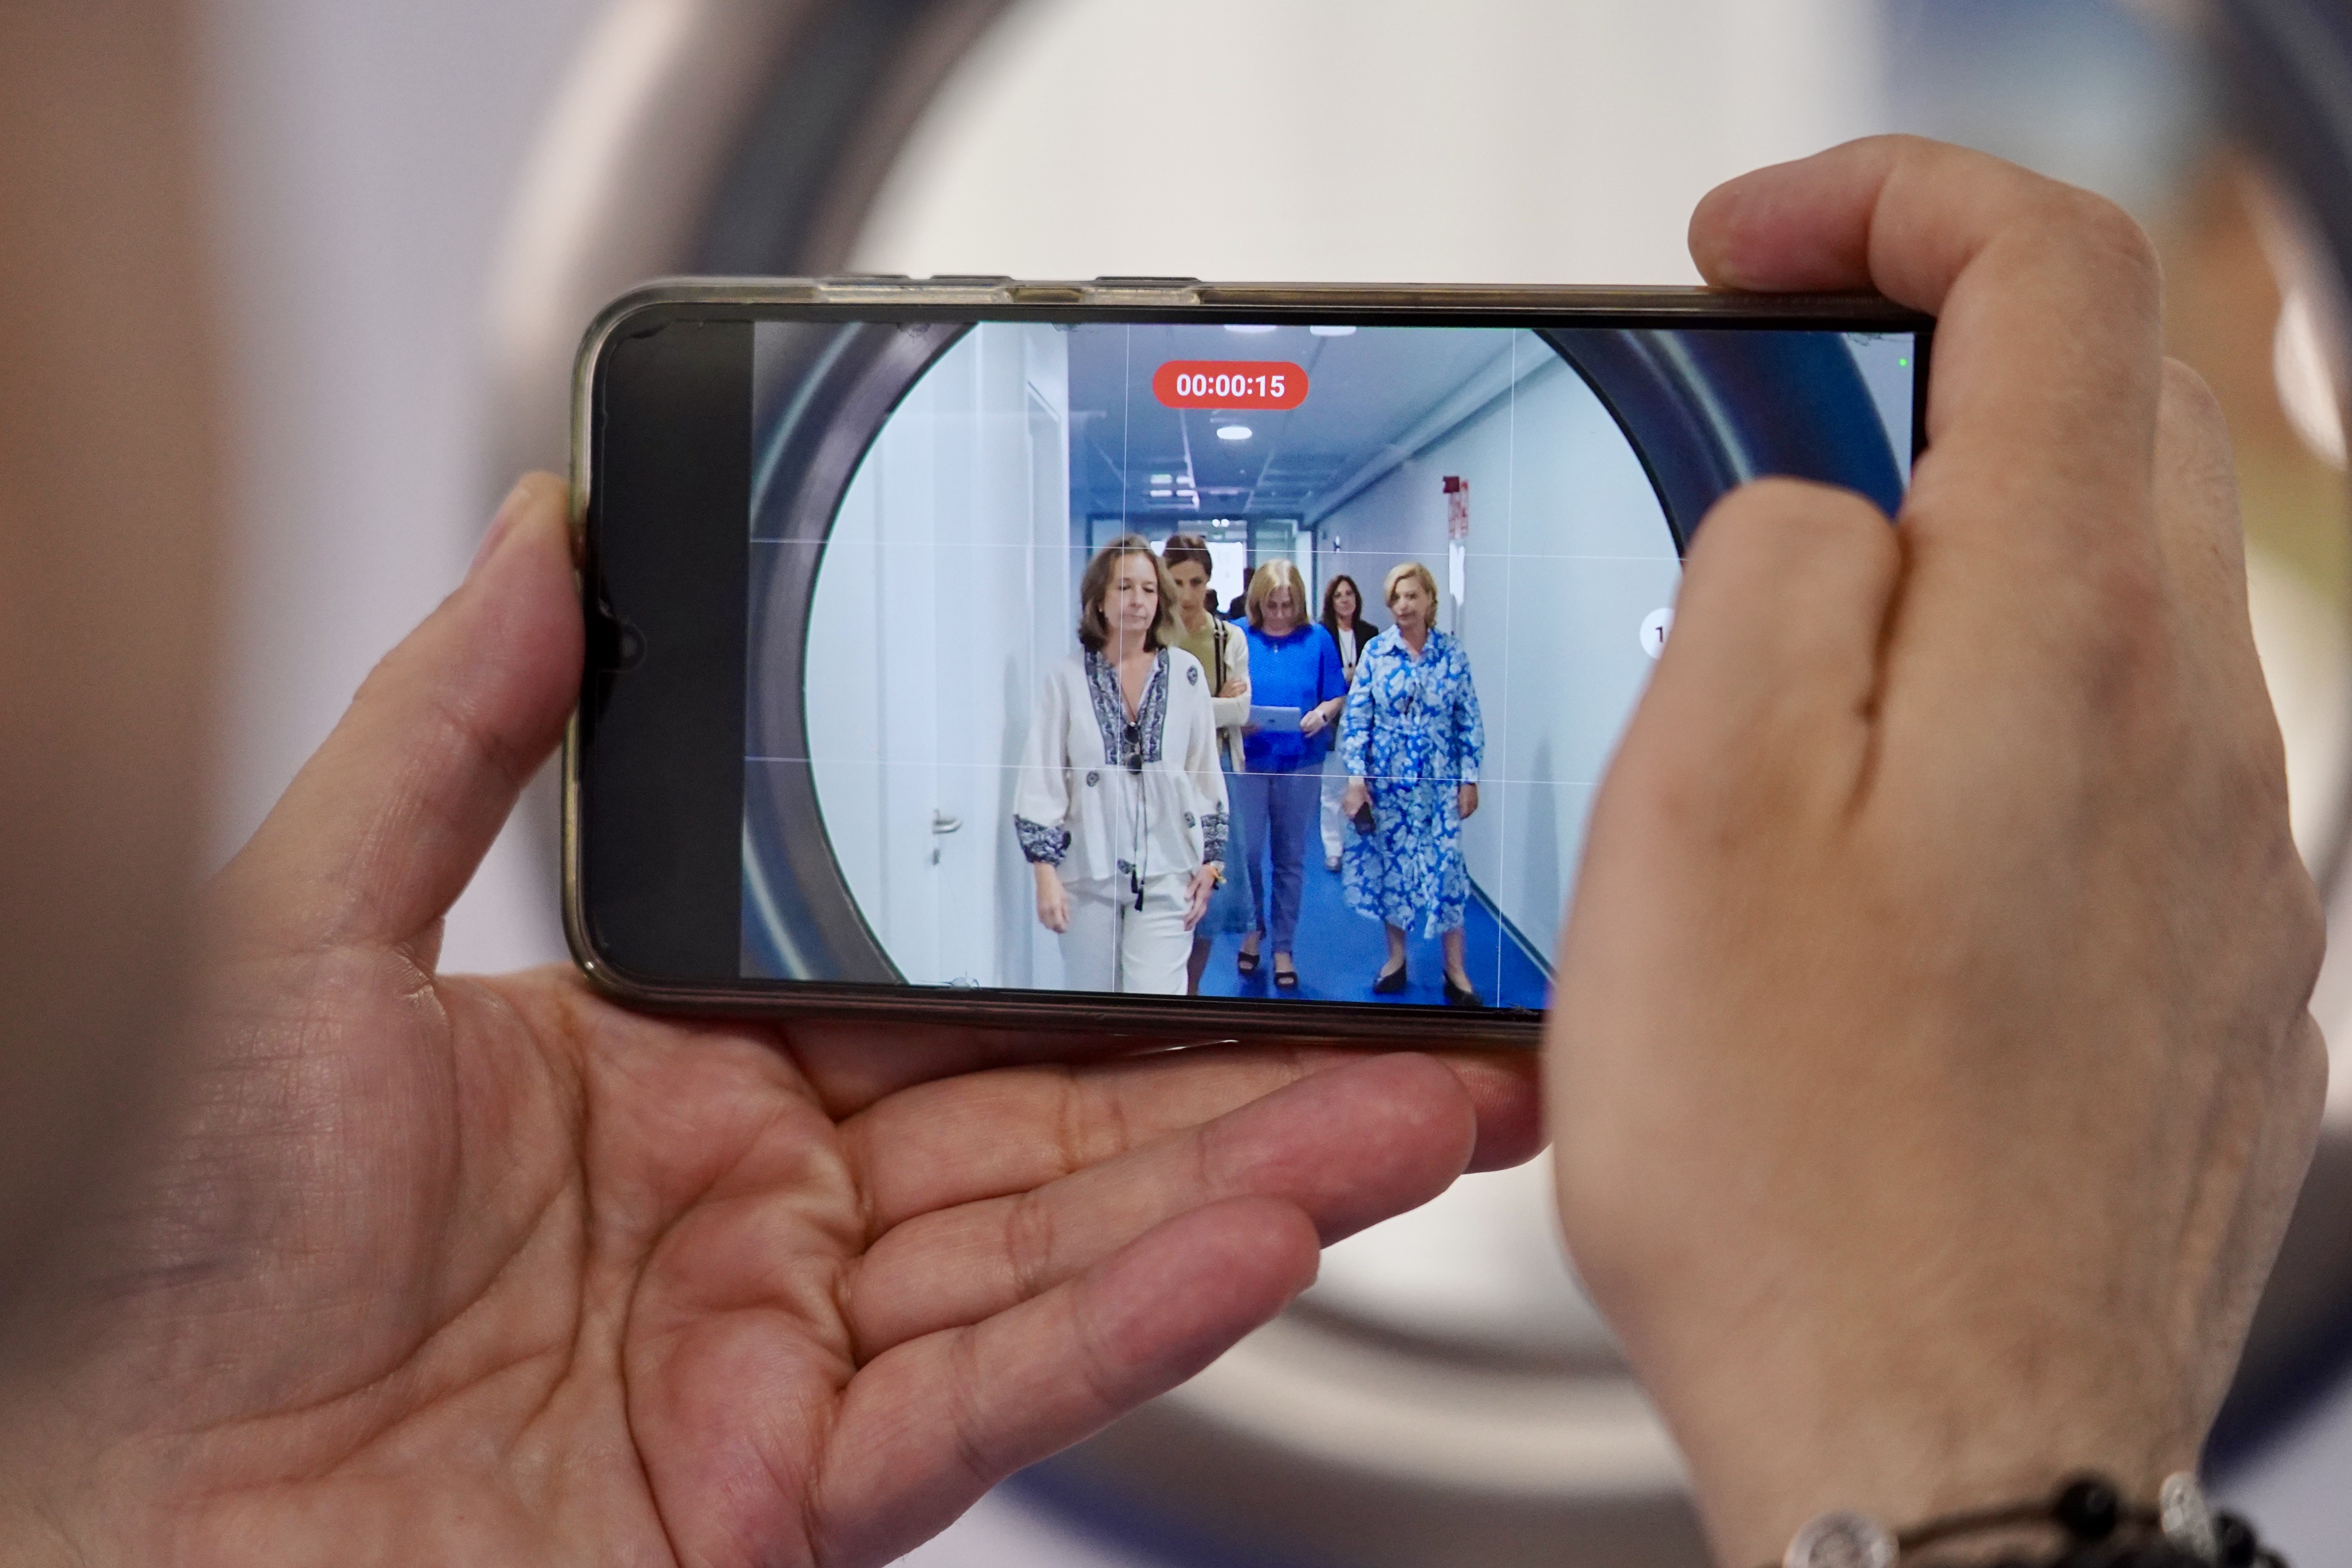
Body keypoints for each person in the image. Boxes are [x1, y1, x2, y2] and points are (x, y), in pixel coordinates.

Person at [0, 28, 2326, 1561]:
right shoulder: (1105, 683)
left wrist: (151, 1490)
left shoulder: (1292, 651)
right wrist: (1985, 1429)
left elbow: (1306, 743)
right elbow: (1073, 805)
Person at [1014, 537, 1229, 995]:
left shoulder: (1187, 675)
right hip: (1088, 873)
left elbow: (1204, 775)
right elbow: (1042, 777)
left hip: (1170, 871)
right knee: (1094, 1004)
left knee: (1156, 1005)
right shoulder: (1066, 678)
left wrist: (1211, 864)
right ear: (1099, 599)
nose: (1137, 601)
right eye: (1124, 587)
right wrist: (1044, 874)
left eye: (1149, 590)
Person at [1340, 562, 1488, 1005]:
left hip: (1440, 781)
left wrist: (1470, 778)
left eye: (1412, 596)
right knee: (1394, 871)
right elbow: (1358, 718)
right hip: (1389, 782)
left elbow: (1469, 718)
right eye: (1396, 598)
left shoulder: (1452, 654)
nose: (1404, 606)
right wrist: (1356, 778)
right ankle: (1396, 960)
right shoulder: (1377, 652)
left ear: (1429, 600)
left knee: (1447, 869)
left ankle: (1455, 970)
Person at [1233, 560, 1348, 990]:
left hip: (1301, 760)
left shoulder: (1317, 639)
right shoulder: (1238, 635)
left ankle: (1284, 946)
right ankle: (1253, 929)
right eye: (1272, 606)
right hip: (1249, 759)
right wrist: (1236, 716)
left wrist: (1323, 713)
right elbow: (1221, 691)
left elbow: (1335, 694)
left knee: (1290, 857)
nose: (1280, 614)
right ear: (1258, 603)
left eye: (1288, 605)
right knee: (1247, 854)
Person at [1160, 534, 1256, 993]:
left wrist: (1189, 706)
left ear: (1209, 582)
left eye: (1196, 582)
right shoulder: (1151, 637)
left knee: (1211, 889)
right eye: (1177, 582)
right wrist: (1214, 702)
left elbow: (1241, 710)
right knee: (1166, 883)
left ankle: (1191, 991)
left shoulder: (1229, 638)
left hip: (1214, 766)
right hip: (1161, 773)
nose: (1187, 594)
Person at [1317, 573, 1380, 870]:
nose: (1345, 600)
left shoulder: (1370, 634)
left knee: (1360, 784)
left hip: (1364, 718)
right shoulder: (1322, 634)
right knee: (1332, 788)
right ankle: (1333, 848)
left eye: (1349, 594)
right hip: (1334, 719)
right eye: (1339, 595)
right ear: (1331, 602)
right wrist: (1345, 677)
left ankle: (1356, 846)